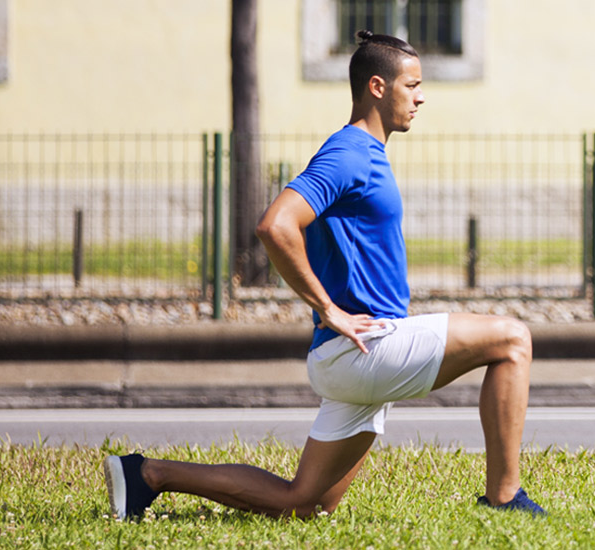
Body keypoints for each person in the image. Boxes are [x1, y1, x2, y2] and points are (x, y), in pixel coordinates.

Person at [103, 30, 545, 520]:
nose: (421, 97)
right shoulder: (349, 152)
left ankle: (147, 475)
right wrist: (328, 309)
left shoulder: (366, 152)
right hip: (362, 349)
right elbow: (275, 224)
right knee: (512, 340)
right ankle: (505, 498)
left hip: (354, 351)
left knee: (304, 504)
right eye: (412, 85)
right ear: (377, 87)